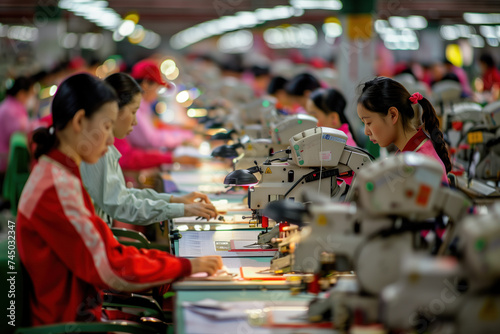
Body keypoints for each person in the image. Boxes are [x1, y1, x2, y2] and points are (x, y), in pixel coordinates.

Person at [17, 73, 222, 326]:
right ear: (80, 121)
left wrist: (176, 264)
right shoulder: (56, 189)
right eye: (105, 127)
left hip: (83, 310)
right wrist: (184, 266)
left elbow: (106, 252)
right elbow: (111, 268)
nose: (112, 139)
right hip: (72, 324)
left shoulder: (60, 176)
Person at [80, 73, 217, 226]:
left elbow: (122, 194)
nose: (135, 121)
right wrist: (180, 209)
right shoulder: (97, 151)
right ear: (114, 110)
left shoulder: (104, 146)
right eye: (133, 112)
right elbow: (121, 206)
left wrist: (175, 200)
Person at [357, 77, 451, 184]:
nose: (366, 131)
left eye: (368, 122)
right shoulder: (412, 152)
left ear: (393, 115)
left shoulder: (420, 163)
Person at [127, 59, 193, 150]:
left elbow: (155, 128)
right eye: (157, 88)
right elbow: (151, 140)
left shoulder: (144, 106)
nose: (156, 95)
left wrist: (183, 131)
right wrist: (185, 138)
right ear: (146, 84)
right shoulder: (135, 109)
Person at [0, 76, 36, 179]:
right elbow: (22, 129)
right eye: (30, 94)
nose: (32, 98)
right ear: (21, 94)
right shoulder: (10, 110)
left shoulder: (10, 105)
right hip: (5, 163)